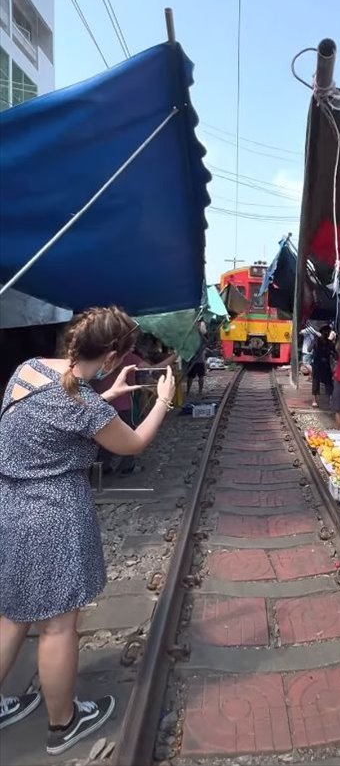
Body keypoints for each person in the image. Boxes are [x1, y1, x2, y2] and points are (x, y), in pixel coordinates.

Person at [0, 307, 176, 754]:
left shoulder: (29, 370)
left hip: (12, 508)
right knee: (58, 625)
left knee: (13, 614)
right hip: (54, 514)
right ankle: (64, 725)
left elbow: (62, 405)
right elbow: (133, 442)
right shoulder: (81, 404)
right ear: (114, 355)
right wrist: (163, 402)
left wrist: (107, 391)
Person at [92, 344, 176, 477]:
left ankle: (103, 468)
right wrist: (176, 356)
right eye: (131, 343)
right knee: (132, 435)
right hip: (124, 404)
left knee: (104, 438)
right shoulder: (130, 358)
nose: (134, 346)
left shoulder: (99, 356)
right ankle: (126, 467)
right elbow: (153, 369)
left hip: (102, 403)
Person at [311, 325, 336, 408]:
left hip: (326, 365)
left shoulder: (329, 342)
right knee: (315, 382)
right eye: (325, 332)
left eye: (327, 332)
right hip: (317, 364)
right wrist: (315, 339)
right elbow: (309, 349)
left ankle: (330, 400)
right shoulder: (317, 341)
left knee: (328, 382)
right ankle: (314, 400)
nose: (326, 334)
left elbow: (335, 353)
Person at [185, 321, 208, 397]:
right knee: (190, 377)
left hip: (199, 360)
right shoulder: (190, 336)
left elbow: (206, 342)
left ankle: (200, 391)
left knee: (200, 377)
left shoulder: (200, 337)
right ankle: (188, 391)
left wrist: (199, 333)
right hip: (192, 360)